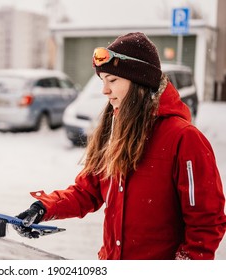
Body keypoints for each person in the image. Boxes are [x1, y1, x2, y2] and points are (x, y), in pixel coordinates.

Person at [13, 32, 226, 260]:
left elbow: (205, 222)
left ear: (139, 82)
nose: (105, 90)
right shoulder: (115, 130)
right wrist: (45, 208)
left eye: (112, 80)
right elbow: (89, 190)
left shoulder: (184, 139)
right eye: (103, 80)